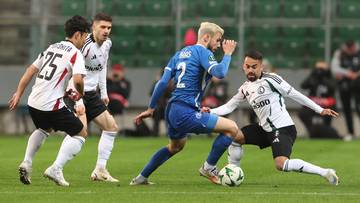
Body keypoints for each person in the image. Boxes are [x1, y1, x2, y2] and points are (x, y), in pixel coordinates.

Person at [202, 50, 340, 185]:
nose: (250, 70)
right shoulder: (245, 87)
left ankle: (325, 172)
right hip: (264, 129)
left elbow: (295, 94)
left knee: (281, 164)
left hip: (283, 128)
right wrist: (211, 112)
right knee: (233, 136)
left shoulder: (271, 79)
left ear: (261, 67)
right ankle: (232, 172)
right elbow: (229, 106)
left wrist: (320, 109)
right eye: (247, 66)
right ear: (243, 67)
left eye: (254, 67)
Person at [130, 22, 239, 185]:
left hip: (172, 109)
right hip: (185, 112)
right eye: (217, 40)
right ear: (206, 37)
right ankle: (208, 168)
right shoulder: (202, 51)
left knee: (175, 146)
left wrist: (151, 108)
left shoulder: (179, 54)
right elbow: (220, 72)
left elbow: (162, 83)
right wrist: (228, 54)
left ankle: (141, 177)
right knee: (232, 128)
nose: (218, 45)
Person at [8, 15, 90, 186]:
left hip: (33, 102)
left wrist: (18, 93)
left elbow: (31, 70)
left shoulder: (51, 47)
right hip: (50, 104)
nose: (85, 41)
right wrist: (80, 95)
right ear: (77, 35)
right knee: (80, 134)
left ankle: (27, 162)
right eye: (85, 36)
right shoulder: (75, 53)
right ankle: (56, 168)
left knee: (44, 128)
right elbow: (78, 80)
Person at [63, 13, 119, 182]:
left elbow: (103, 68)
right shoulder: (85, 45)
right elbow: (73, 72)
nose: (106, 31)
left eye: (109, 27)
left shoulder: (107, 44)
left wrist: (104, 93)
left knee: (111, 127)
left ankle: (100, 170)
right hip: (76, 91)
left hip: (92, 94)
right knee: (79, 133)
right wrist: (78, 99)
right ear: (93, 27)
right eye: (102, 27)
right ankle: (56, 168)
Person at [298, 61, 339, 138]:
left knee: (330, 113)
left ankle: (326, 132)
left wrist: (323, 79)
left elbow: (333, 87)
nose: (320, 71)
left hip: (326, 104)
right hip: (314, 104)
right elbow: (303, 85)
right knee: (303, 113)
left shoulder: (330, 78)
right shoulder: (313, 77)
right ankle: (311, 131)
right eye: (318, 69)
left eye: (322, 69)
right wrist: (313, 75)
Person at [331, 40, 360, 141]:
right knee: (347, 110)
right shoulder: (339, 53)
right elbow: (334, 69)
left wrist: (356, 74)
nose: (350, 51)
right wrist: (348, 73)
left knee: (358, 108)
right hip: (344, 85)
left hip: (358, 85)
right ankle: (351, 133)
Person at [150, 69, 174, 136]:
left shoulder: (172, 83)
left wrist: (169, 86)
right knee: (157, 110)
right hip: (158, 108)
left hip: (169, 107)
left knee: (168, 110)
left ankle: (170, 132)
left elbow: (173, 95)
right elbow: (151, 94)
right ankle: (155, 133)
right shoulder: (157, 83)